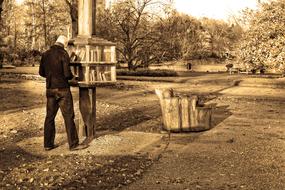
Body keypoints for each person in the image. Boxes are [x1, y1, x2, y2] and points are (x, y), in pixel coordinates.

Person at [39, 35, 88, 151]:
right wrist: (73, 76)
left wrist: (51, 76)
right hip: (63, 90)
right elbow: (67, 74)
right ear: (65, 44)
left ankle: (48, 144)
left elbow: (41, 72)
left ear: (56, 42)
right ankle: (74, 144)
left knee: (49, 117)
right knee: (68, 116)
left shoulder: (45, 54)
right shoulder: (63, 54)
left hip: (50, 89)